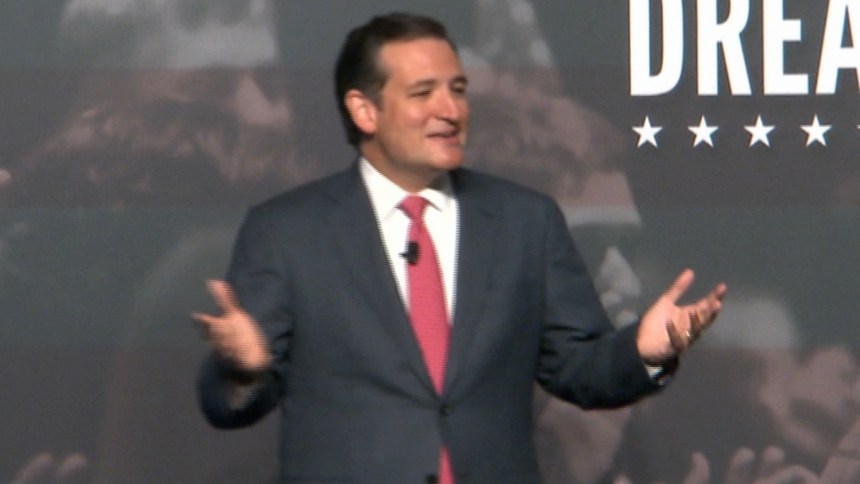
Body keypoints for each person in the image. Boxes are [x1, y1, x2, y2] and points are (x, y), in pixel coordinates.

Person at [193, 12, 726, 483]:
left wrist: (642, 353)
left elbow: (579, 367)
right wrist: (245, 371)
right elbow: (228, 408)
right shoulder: (289, 232)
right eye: (423, 92)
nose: (449, 109)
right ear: (364, 110)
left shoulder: (527, 222)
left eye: (457, 89)